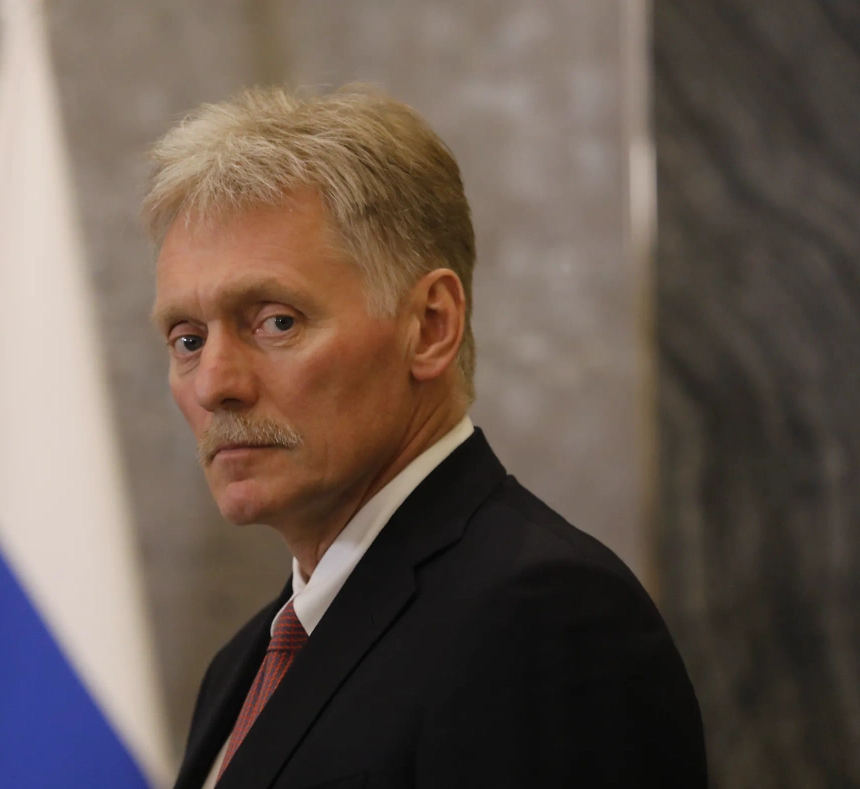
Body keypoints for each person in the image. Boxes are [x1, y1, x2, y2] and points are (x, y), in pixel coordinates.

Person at [144, 85, 706, 789]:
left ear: (431, 326)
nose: (214, 384)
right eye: (188, 339)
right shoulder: (243, 663)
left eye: (276, 321)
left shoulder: (542, 618)